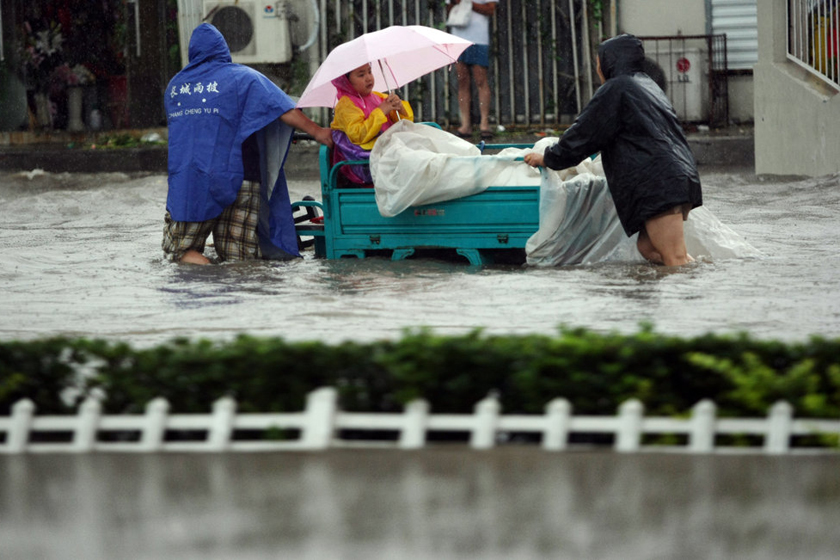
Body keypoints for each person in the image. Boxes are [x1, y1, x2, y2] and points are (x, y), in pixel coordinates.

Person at [524, 34, 702, 266]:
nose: (598, 69)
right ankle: (690, 280)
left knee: (673, 256)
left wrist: (548, 158)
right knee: (648, 248)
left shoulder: (616, 89)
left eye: (599, 62)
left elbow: (584, 133)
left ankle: (698, 286)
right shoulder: (647, 85)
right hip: (677, 177)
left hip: (658, 184)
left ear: (609, 63)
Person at [162, 23, 333, 265]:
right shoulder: (244, 78)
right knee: (238, 260)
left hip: (195, 183)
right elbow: (281, 108)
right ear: (223, 49)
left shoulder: (175, 87)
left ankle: (208, 274)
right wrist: (318, 132)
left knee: (179, 252)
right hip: (243, 179)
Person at [329, 63, 414, 185]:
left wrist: (400, 108)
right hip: (363, 160)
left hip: (386, 150)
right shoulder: (346, 105)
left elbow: (404, 124)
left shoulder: (378, 97)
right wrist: (381, 111)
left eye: (369, 72)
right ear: (346, 81)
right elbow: (358, 134)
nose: (368, 78)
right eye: (361, 75)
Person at [446, 0, 498, 140]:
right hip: (458, 37)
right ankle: (465, 124)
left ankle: (484, 123)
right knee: (462, 80)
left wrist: (467, 3)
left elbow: (490, 9)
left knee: (481, 80)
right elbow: (449, 9)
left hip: (479, 38)